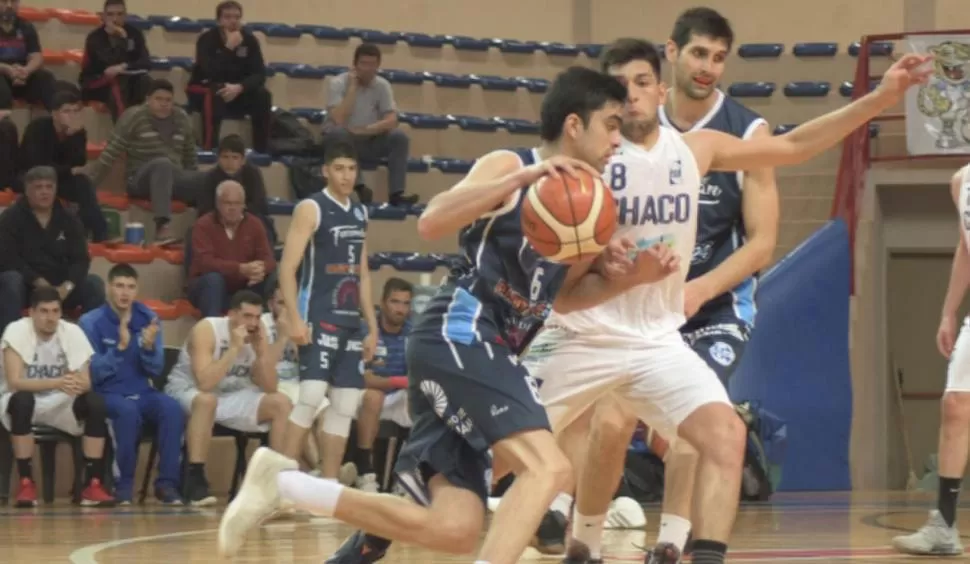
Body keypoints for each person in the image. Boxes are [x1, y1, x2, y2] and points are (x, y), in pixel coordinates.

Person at [219, 66, 674, 563]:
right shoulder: (512, 163)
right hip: (461, 329)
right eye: (610, 124)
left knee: (454, 528)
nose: (618, 138)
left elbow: (561, 298)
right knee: (550, 469)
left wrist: (629, 277)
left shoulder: (590, 204)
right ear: (573, 124)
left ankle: (285, 485)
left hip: (492, 347)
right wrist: (520, 180)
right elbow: (432, 221)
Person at [522, 41, 932, 564]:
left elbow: (794, 148)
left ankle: (698, 552)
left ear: (661, 89)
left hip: (655, 339)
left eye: (643, 82)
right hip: (583, 332)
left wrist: (879, 98)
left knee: (725, 435)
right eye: (620, 85)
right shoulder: (589, 161)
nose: (632, 94)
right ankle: (576, 540)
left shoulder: (696, 149)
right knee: (510, 451)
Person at [259, 141, 377, 484]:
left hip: (350, 321)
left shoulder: (360, 212)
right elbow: (287, 269)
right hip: (318, 314)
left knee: (344, 406)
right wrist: (295, 318)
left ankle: (326, 488)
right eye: (339, 168)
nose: (346, 176)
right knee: (309, 397)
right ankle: (280, 483)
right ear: (326, 171)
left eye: (351, 169)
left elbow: (364, 272)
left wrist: (371, 325)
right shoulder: (311, 208)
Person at [891, 163, 970, 556]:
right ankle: (943, 525)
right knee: (955, 405)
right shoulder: (961, 181)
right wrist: (948, 311)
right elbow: (965, 245)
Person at [163, 290, 291, 506]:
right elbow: (205, 383)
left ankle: (276, 482)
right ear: (231, 314)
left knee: (281, 403)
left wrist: (261, 355)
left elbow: (270, 387)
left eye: (258, 317)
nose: (253, 323)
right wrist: (233, 349)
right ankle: (195, 479)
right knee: (207, 400)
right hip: (187, 390)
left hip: (230, 394)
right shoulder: (208, 329)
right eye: (247, 316)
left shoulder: (261, 335)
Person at [79, 263, 184, 505]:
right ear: (108, 288)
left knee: (172, 408)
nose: (125, 293)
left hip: (142, 390)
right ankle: (122, 486)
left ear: (137, 290)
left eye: (130, 287)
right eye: (119, 286)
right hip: (108, 393)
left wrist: (148, 349)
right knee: (127, 412)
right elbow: (92, 372)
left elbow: (156, 368)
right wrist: (120, 348)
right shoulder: (90, 322)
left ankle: (167, 485)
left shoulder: (148, 318)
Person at [0, 287, 115, 507]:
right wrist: (58, 382)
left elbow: (86, 381)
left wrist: (80, 384)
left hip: (61, 400)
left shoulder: (72, 332)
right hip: (22, 400)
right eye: (43, 311)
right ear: (31, 313)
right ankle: (26, 482)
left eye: (55, 311)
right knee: (22, 399)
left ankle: (92, 483)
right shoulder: (15, 331)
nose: (50, 317)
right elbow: (15, 382)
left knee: (95, 403)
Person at [86, 79, 200, 244]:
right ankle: (162, 227)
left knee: (210, 179)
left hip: (174, 178)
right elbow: (110, 153)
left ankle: (204, 235)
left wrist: (193, 182)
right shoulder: (134, 116)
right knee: (163, 164)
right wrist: (89, 186)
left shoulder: (182, 118)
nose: (164, 104)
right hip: (139, 180)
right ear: (148, 99)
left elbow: (190, 156)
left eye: (168, 100)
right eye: (159, 99)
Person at [0, 166, 106, 337]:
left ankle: (89, 344)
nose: (44, 192)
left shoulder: (69, 218)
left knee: (94, 284)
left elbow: (81, 260)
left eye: (49, 187)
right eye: (38, 187)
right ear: (27, 190)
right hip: (27, 287)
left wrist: (67, 286)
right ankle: (6, 345)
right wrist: (38, 282)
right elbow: (8, 258)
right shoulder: (10, 218)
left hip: (61, 289)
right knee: (10, 280)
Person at [324, 43, 418, 206]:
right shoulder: (338, 83)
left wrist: (367, 130)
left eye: (372, 65)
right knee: (339, 133)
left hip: (368, 138)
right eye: (363, 64)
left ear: (378, 66)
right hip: (342, 142)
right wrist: (353, 88)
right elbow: (338, 118)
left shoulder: (382, 85)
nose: (368, 69)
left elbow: (392, 119)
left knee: (399, 137)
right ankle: (359, 186)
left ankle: (397, 193)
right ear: (354, 65)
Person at [346, 276, 413, 493]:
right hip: (364, 396)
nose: (400, 309)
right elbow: (361, 377)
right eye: (395, 302)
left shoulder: (414, 333)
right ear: (383, 303)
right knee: (374, 396)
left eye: (406, 303)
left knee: (425, 401)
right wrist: (398, 381)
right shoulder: (365, 330)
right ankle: (365, 471)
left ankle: (406, 474)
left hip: (397, 398)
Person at [19, 89, 110, 242]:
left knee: (83, 183)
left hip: (60, 177)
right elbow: (38, 165)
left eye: (75, 111)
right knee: (58, 183)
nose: (72, 115)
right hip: (30, 176)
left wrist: (73, 136)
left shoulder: (78, 132)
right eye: (66, 111)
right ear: (54, 113)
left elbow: (79, 161)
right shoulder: (38, 128)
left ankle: (99, 234)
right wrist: (69, 170)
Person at [186, 0, 271, 153]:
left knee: (262, 95)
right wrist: (229, 48)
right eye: (228, 17)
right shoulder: (207, 39)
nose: (233, 21)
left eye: (237, 17)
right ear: (219, 20)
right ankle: (209, 147)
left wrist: (240, 87)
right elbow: (209, 72)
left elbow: (259, 74)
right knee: (215, 91)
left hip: (237, 91)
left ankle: (261, 150)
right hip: (207, 88)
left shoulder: (250, 40)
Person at [187, 180, 276, 317]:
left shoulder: (255, 224)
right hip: (208, 288)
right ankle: (213, 329)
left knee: (270, 277)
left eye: (237, 203)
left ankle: (264, 325)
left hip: (243, 287)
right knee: (214, 279)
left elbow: (269, 259)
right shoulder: (203, 225)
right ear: (217, 204)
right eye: (227, 203)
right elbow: (205, 263)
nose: (232, 208)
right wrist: (239, 269)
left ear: (244, 205)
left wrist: (260, 268)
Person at [261, 284, 323, 471]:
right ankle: (321, 470)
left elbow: (308, 365)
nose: (286, 309)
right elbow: (263, 367)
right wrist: (281, 337)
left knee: (326, 409)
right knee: (301, 410)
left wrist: (297, 342)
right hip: (273, 385)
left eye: (291, 304)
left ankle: (323, 470)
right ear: (271, 304)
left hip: (297, 383)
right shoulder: (262, 324)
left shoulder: (302, 324)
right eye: (281, 303)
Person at [79, 0, 152, 121]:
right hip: (97, 82)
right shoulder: (95, 38)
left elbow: (146, 63)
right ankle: (122, 134)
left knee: (148, 83)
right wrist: (121, 39)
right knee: (117, 84)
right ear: (103, 16)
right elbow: (110, 64)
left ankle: (148, 131)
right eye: (110, 14)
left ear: (125, 15)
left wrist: (124, 67)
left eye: (119, 14)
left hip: (127, 80)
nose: (115, 19)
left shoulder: (135, 33)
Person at [194, 134, 274, 244]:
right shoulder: (210, 178)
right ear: (218, 158)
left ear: (243, 160)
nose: (229, 162)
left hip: (247, 218)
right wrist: (226, 216)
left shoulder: (252, 174)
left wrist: (237, 215)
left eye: (235, 157)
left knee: (262, 223)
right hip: (218, 221)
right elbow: (204, 209)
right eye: (225, 157)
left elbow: (259, 205)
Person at [0, 0, 56, 112]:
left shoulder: (26, 26)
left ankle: (57, 121)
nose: (9, 6)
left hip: (22, 76)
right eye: (4, 1)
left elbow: (36, 56)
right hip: (2, 74)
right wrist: (7, 69)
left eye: (14, 1)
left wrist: (26, 70)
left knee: (46, 78)